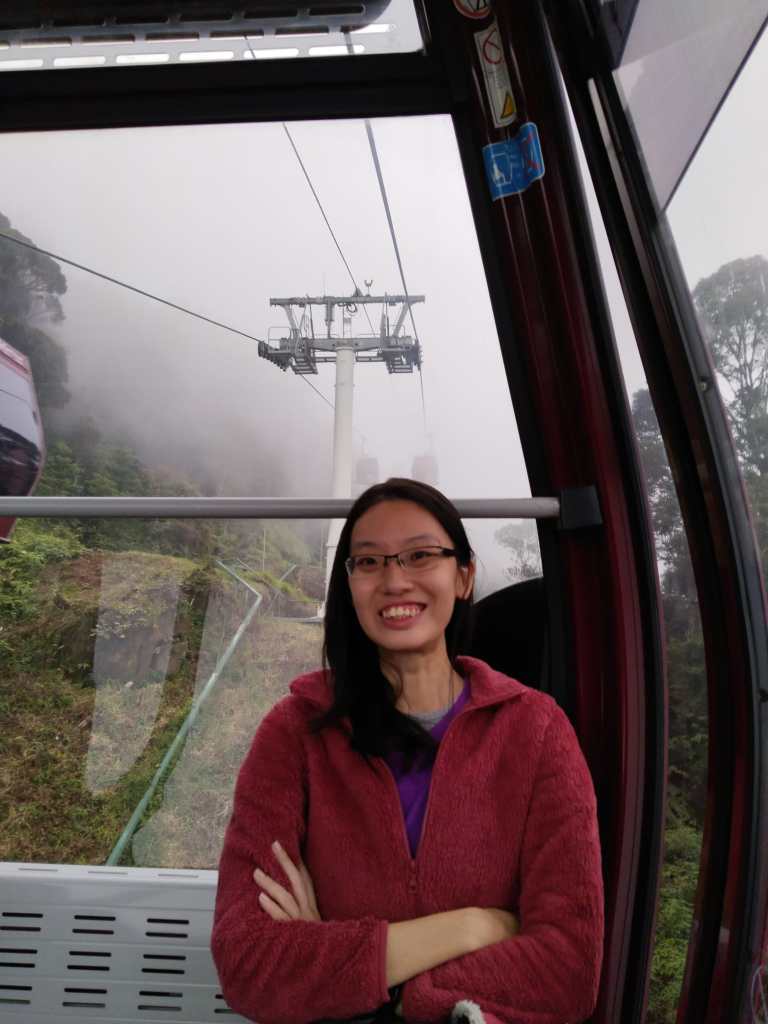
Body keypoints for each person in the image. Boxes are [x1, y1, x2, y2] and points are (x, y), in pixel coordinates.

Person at [212, 478, 604, 1024]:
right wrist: (472, 927)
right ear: (350, 585)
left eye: (421, 555)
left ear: (463, 576)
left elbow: (568, 970)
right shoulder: (295, 733)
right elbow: (247, 961)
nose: (394, 580)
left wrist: (382, 985)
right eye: (369, 562)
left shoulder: (536, 731)